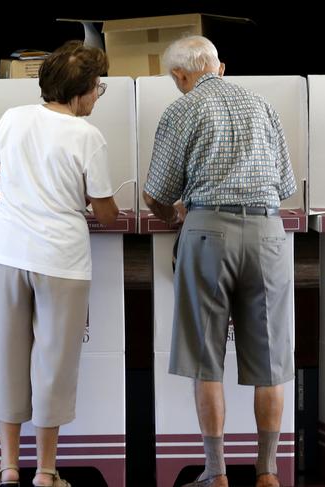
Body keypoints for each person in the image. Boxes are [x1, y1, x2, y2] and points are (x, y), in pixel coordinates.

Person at [143, 36, 296, 487]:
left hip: (209, 233)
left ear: (180, 75)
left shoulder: (182, 109)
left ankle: (216, 472)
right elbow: (285, 182)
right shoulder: (263, 105)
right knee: (271, 360)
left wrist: (172, 213)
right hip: (268, 235)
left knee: (204, 355)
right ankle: (267, 472)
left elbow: (156, 191)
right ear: (220, 66)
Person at [0, 40, 118, 487]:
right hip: (60, 261)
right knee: (53, 363)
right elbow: (107, 212)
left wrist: (9, 203)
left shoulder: (12, 119)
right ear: (81, 91)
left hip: (3, 253)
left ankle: (9, 466)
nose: (97, 96)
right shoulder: (87, 136)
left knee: (4, 357)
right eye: (98, 88)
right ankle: (47, 471)